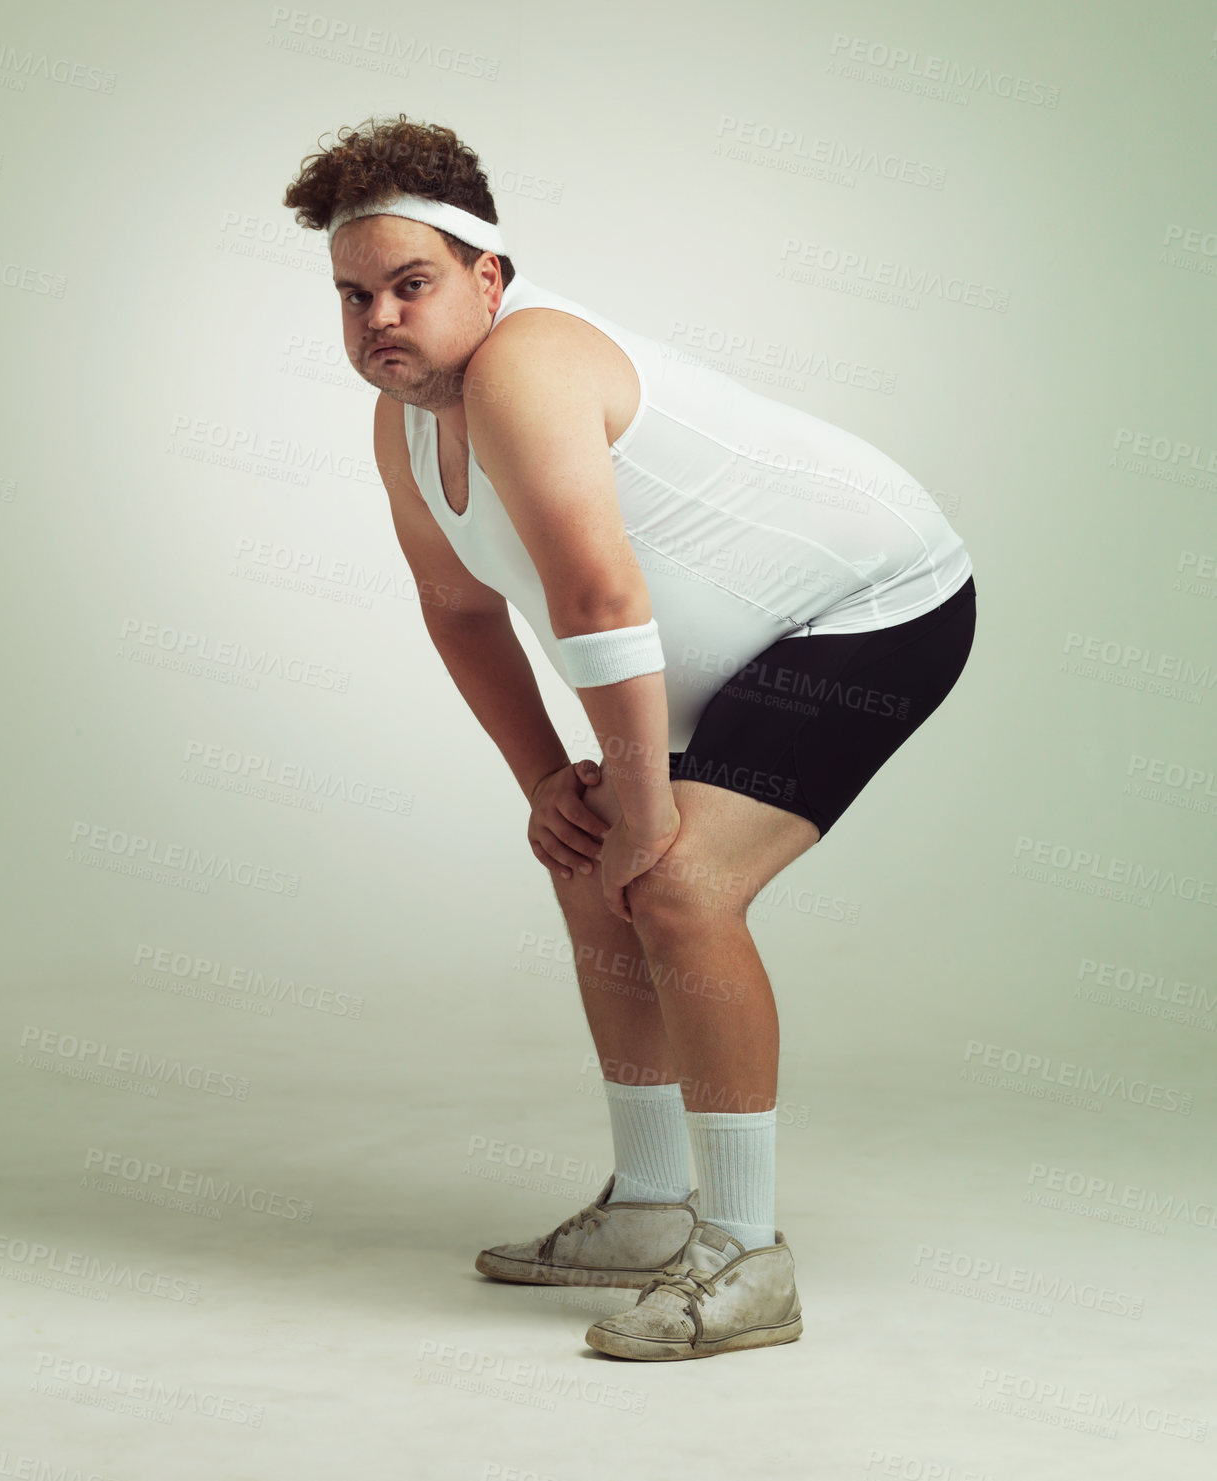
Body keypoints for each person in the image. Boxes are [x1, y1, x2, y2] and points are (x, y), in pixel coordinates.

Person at [283, 115, 977, 1362]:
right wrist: (554, 781)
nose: (378, 316)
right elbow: (457, 608)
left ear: (486, 277)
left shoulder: (524, 364)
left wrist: (648, 812)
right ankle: (651, 1211)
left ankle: (747, 1255)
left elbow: (601, 598)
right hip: (727, 645)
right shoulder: (405, 425)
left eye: (410, 284)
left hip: (866, 609)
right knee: (590, 852)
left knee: (672, 884)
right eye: (352, 296)